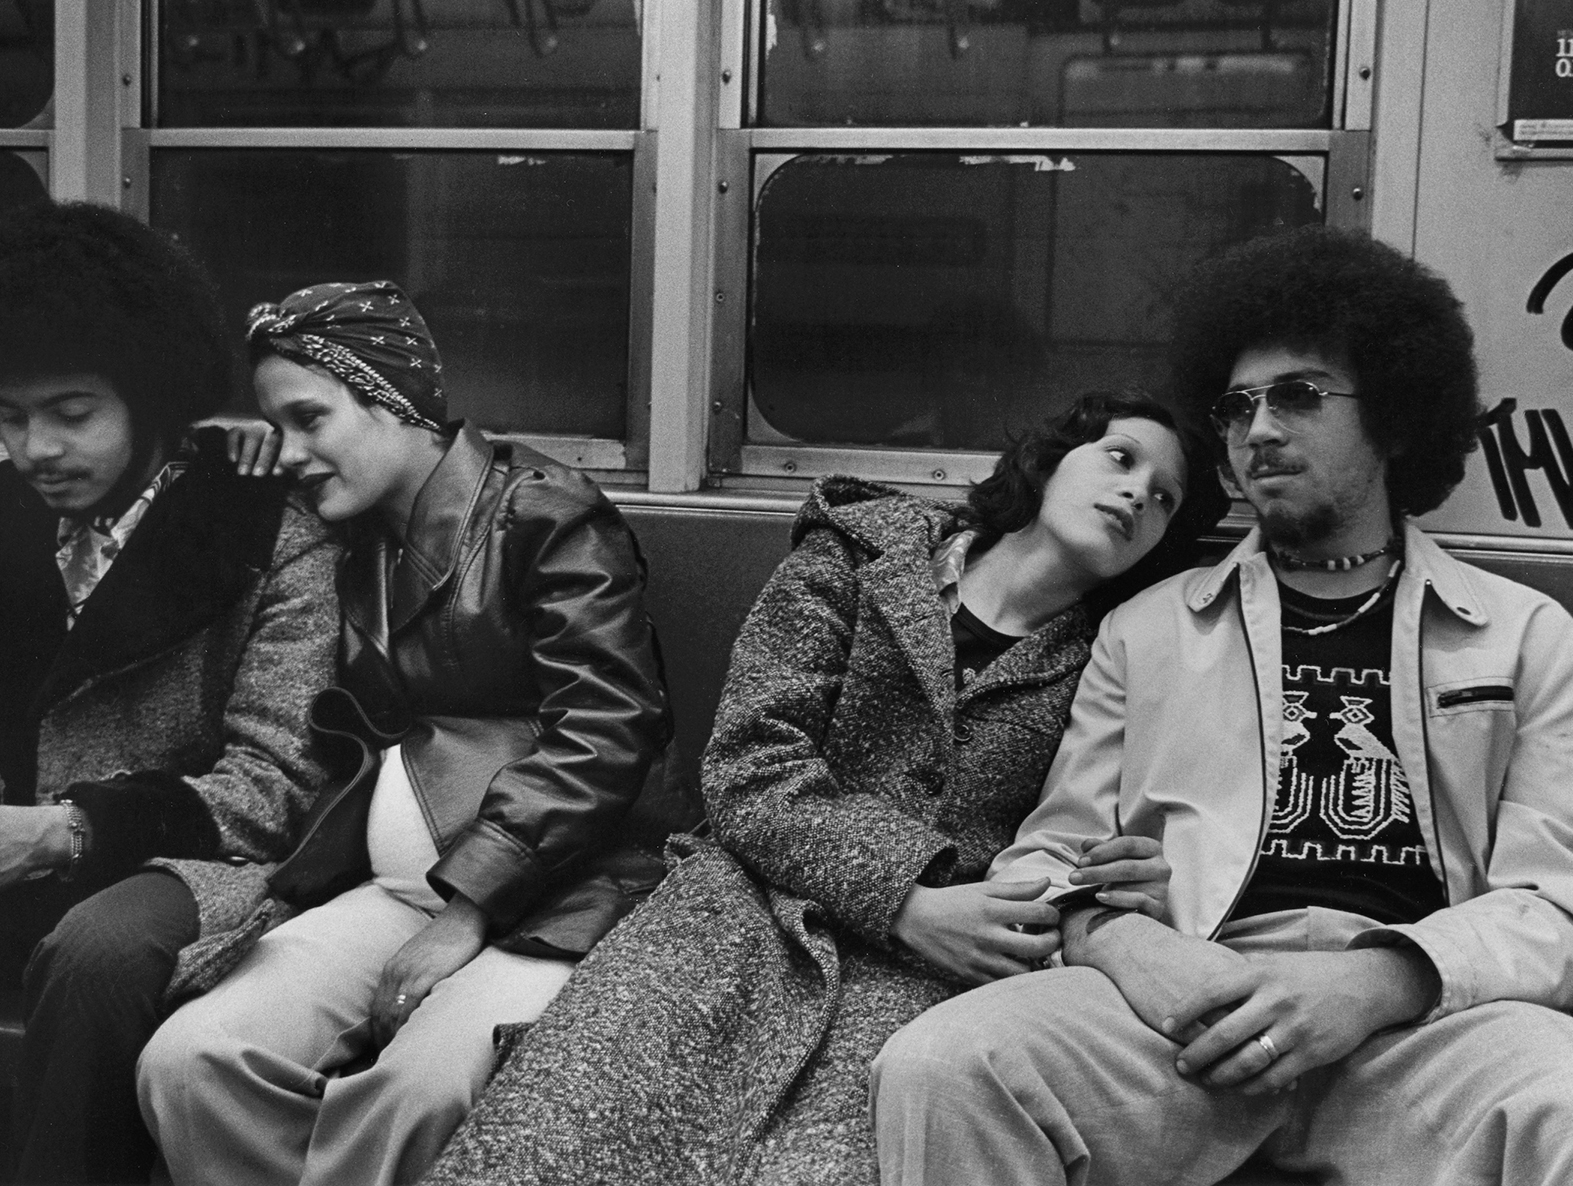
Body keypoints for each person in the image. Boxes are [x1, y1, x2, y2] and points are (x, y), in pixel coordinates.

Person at [872, 226, 1573, 1185]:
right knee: (942, 1066)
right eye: (1235, 407)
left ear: (1391, 413)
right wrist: (1122, 940)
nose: (1259, 429)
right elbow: (1051, 857)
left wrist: (1381, 978)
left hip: (1429, 1019)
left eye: (1299, 396)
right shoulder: (1149, 629)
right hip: (1180, 1004)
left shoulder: (1523, 633)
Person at [421, 389, 1230, 1186]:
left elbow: (1068, 835)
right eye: (1120, 459)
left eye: (1164, 499)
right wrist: (906, 899)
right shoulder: (859, 555)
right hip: (738, 912)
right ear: (1052, 462)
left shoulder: (1111, 660)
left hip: (930, 969)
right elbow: (749, 765)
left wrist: (1104, 884)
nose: (1135, 494)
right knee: (568, 1125)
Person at [136, 281, 698, 1186]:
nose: (290, 453)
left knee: (420, 1091)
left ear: (392, 397)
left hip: (554, 894)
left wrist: (470, 909)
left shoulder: (544, 515)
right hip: (394, 889)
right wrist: (220, 453)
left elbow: (609, 725)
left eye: (310, 419)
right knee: (192, 1060)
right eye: (275, 428)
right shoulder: (351, 539)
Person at [0, 201, 339, 1184]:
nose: (37, 448)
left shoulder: (266, 526)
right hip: (13, 858)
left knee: (97, 952)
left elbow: (277, 782)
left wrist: (70, 829)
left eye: (72, 411)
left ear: (147, 395)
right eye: (10, 418)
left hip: (190, 864)